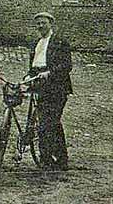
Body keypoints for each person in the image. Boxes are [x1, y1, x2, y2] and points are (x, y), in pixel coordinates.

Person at [26, 11, 73, 171]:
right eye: (38, 23)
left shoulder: (60, 42)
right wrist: (28, 76)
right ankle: (54, 158)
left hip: (56, 87)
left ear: (51, 24)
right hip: (40, 86)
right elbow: (33, 66)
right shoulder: (36, 43)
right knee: (48, 123)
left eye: (43, 23)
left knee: (49, 123)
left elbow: (67, 65)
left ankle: (52, 159)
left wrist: (50, 72)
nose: (40, 26)